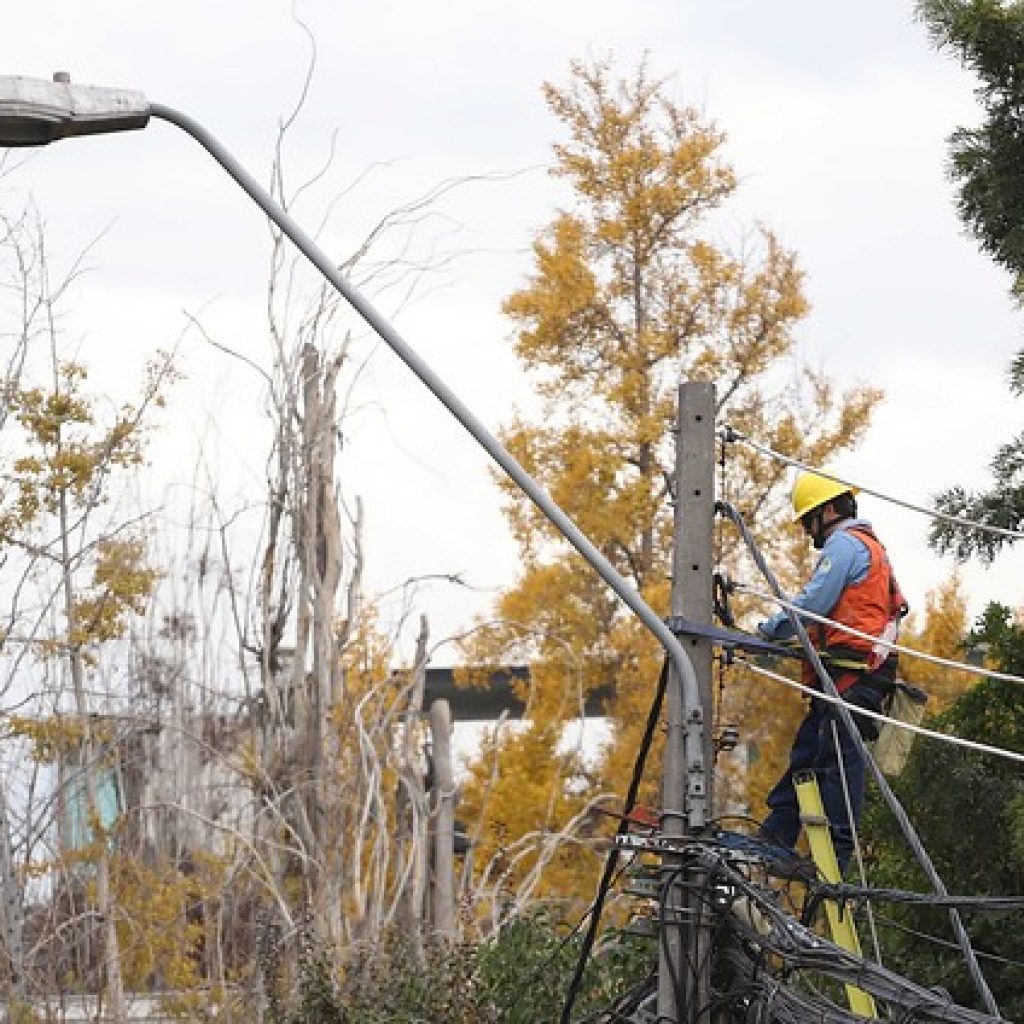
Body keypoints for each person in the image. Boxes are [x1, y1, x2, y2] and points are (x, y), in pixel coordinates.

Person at [756, 471, 907, 873]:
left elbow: (812, 603)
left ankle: (836, 854)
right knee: (808, 751)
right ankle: (776, 834)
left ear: (827, 511)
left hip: (855, 675)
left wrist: (768, 630)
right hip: (847, 676)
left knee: (839, 758)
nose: (807, 531)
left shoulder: (845, 545)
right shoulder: (872, 550)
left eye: (808, 521)